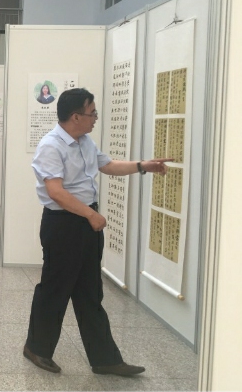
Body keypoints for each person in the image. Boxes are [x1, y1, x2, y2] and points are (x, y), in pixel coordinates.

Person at [24, 88, 172, 377]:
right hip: (63, 224)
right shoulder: (51, 146)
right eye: (92, 113)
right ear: (75, 116)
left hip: (87, 222)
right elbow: (56, 192)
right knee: (55, 290)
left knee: (90, 292)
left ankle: (105, 359)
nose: (95, 118)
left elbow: (108, 165)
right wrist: (91, 214)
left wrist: (143, 166)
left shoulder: (85, 141)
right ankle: (37, 348)